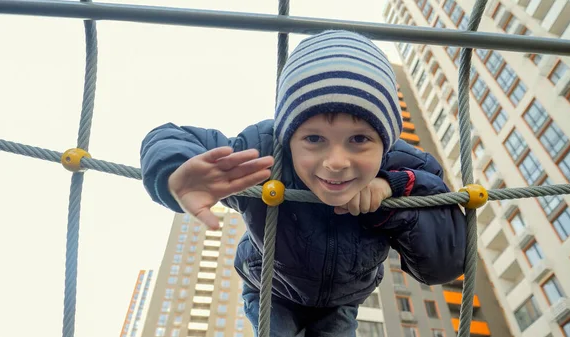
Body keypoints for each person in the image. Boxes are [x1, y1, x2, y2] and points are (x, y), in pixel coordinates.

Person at [140, 30, 466, 337]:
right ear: (288, 137)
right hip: (272, 287)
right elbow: (171, 136)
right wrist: (175, 169)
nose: (336, 161)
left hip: (342, 301)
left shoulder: (404, 168)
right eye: (313, 138)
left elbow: (442, 263)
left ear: (386, 142)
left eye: (359, 139)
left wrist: (390, 194)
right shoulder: (263, 158)